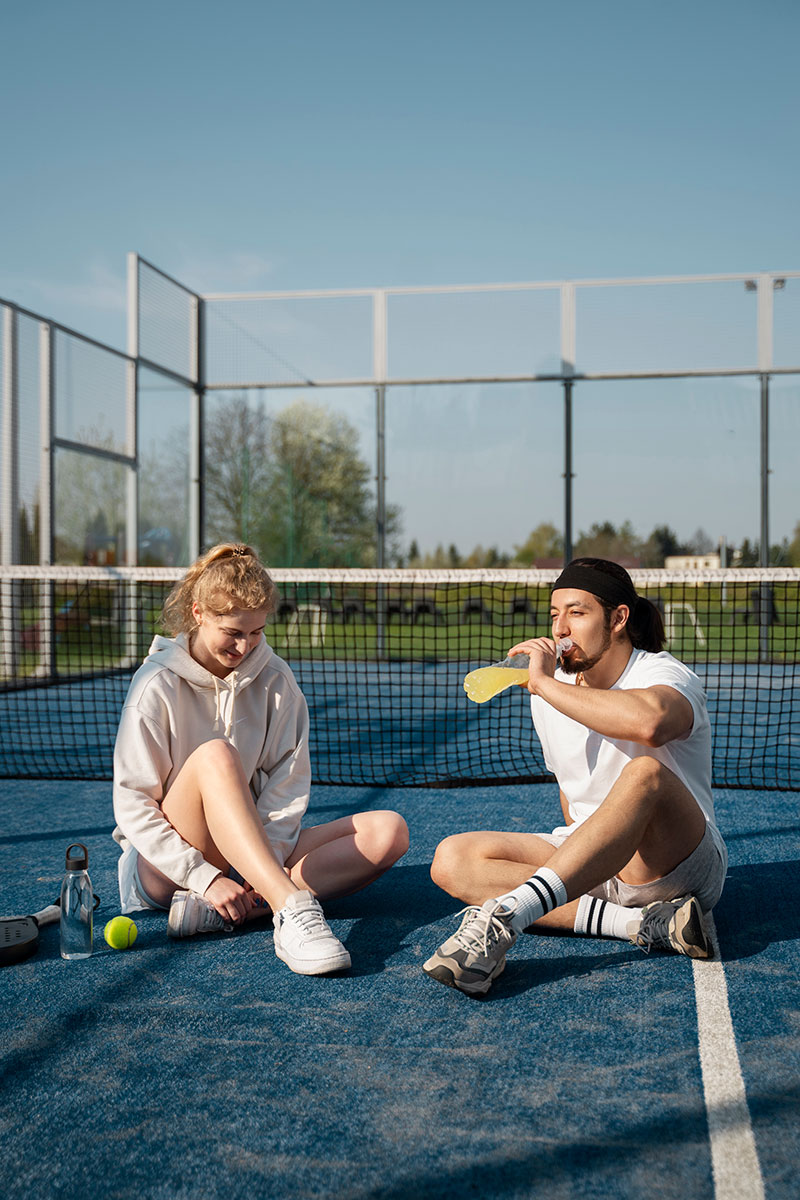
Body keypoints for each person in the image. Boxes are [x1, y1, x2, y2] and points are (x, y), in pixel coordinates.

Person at [423, 557, 726, 996]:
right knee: (452, 858)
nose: (560, 628)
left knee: (645, 773)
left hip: (675, 864)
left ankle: (508, 915)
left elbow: (652, 723)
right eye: (554, 615)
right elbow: (572, 795)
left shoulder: (662, 673)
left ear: (618, 618)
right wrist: (584, 856)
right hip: (599, 865)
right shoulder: (551, 694)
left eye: (577, 612)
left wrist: (544, 684)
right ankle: (641, 925)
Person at [112, 543, 409, 977]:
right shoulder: (154, 685)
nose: (244, 646)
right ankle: (289, 906)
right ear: (198, 613)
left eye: (255, 632)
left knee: (389, 831)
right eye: (232, 631)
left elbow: (287, 784)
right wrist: (206, 877)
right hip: (167, 866)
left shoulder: (276, 680)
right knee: (216, 755)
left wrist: (261, 859)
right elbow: (134, 804)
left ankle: (234, 908)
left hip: (250, 853)